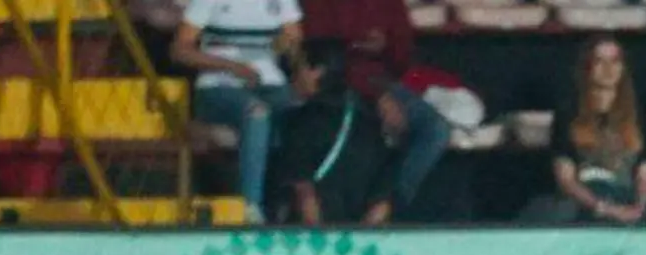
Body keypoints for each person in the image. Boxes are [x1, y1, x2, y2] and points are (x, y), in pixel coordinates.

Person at [301, 0, 446, 210]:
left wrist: (388, 45)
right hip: (334, 82)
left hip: (382, 82)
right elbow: (321, 54)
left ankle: (386, 207)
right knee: (357, 122)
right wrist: (375, 93)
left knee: (434, 129)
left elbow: (402, 60)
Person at [171, 0, 304, 221]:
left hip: (271, 83)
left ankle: (292, 203)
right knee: (256, 112)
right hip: (218, 84)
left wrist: (287, 46)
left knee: (305, 116)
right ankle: (249, 206)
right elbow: (180, 50)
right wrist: (232, 67)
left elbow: (295, 40)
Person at [522, 36, 646, 224]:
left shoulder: (639, 115)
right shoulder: (569, 113)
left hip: (625, 199)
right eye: (599, 61)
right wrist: (604, 208)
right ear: (587, 67)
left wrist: (639, 208)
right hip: (584, 203)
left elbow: (645, 174)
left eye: (615, 61)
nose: (608, 69)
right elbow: (566, 180)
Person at [274, 53, 398, 226]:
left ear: (316, 72)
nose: (292, 79)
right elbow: (383, 196)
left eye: (297, 71)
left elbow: (304, 190)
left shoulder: (303, 120)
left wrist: (319, 237)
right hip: (360, 228)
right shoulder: (368, 118)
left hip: (320, 230)